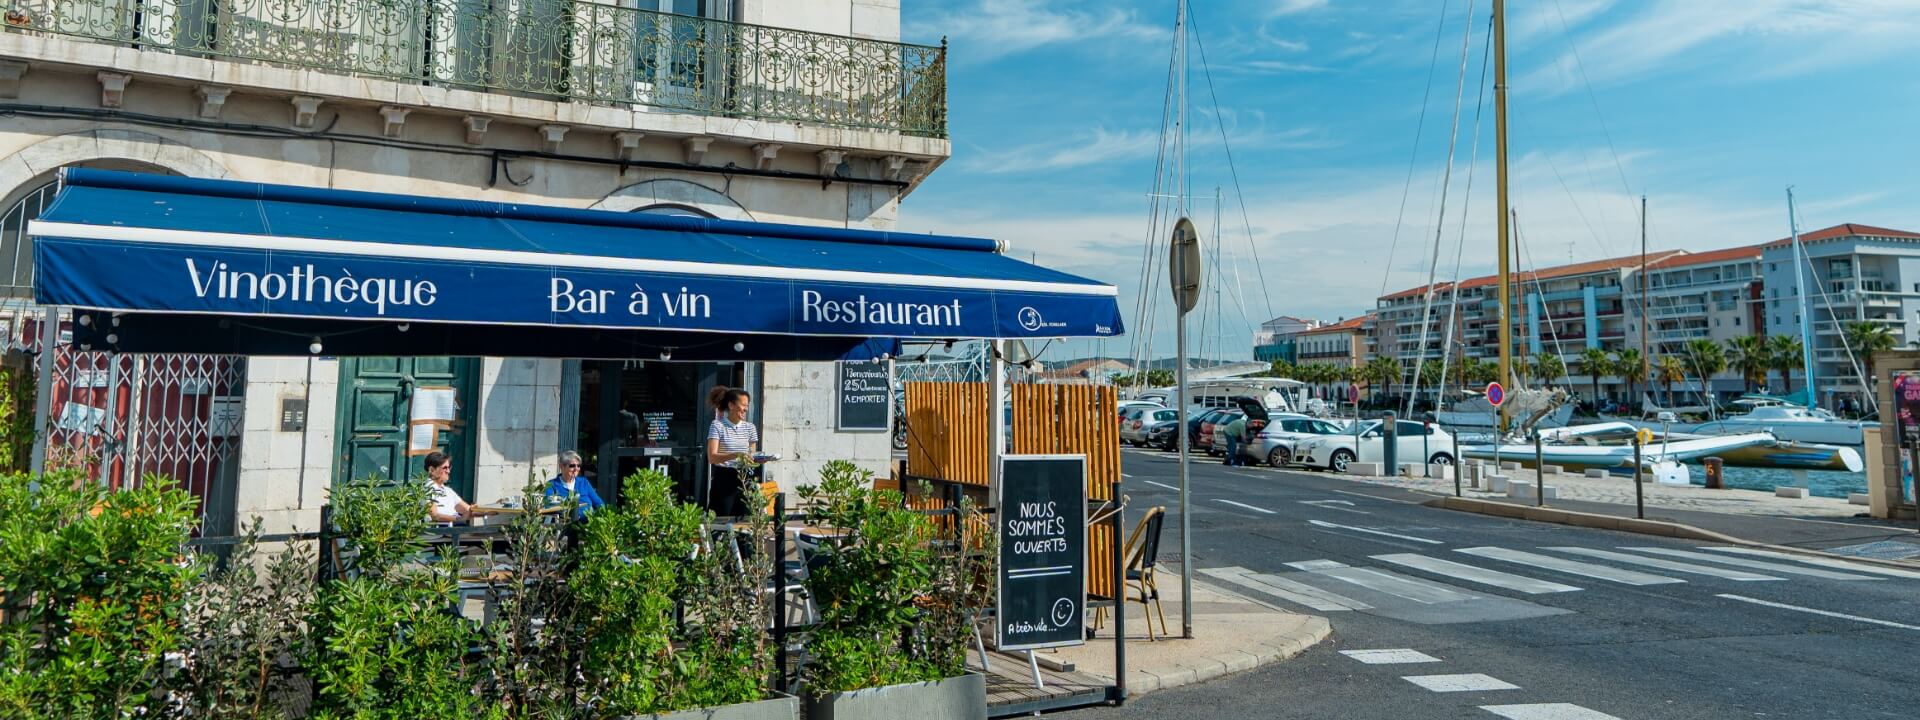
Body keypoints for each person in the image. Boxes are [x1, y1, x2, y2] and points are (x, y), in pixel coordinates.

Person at [705, 385, 760, 517]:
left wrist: (759, 459)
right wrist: (736, 455)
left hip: (745, 479)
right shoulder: (717, 425)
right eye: (743, 405)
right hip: (724, 479)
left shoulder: (750, 428)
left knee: (746, 522)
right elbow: (712, 457)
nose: (746, 409)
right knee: (721, 521)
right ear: (731, 405)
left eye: (748, 405)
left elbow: (751, 456)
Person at [544, 450, 605, 519]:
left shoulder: (583, 482)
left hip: (588, 525)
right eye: (572, 466)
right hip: (564, 525)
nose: (576, 469)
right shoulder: (551, 485)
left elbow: (599, 504)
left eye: (578, 466)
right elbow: (548, 507)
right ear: (562, 466)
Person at [423, 451, 470, 525]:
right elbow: (434, 516)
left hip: (454, 526)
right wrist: (459, 519)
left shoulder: (448, 490)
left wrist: (490, 509)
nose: (448, 471)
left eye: (449, 468)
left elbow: (468, 509)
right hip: (441, 530)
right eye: (445, 468)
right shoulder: (428, 489)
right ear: (432, 470)